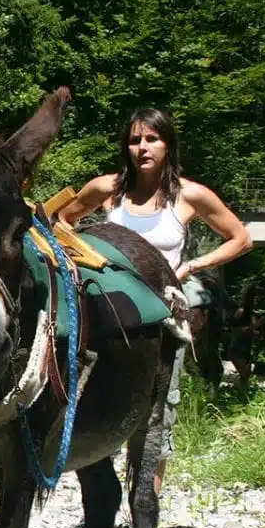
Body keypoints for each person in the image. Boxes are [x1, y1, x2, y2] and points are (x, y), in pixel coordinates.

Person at [59, 106, 253, 496]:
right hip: (108, 315)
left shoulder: (188, 196)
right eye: (135, 140)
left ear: (168, 144)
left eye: (152, 139)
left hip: (164, 315)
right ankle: (101, 505)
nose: (143, 148)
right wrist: (80, 259)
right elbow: (61, 218)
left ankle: (143, 510)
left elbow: (241, 238)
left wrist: (191, 265)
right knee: (101, 404)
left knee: (158, 411)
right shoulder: (106, 190)